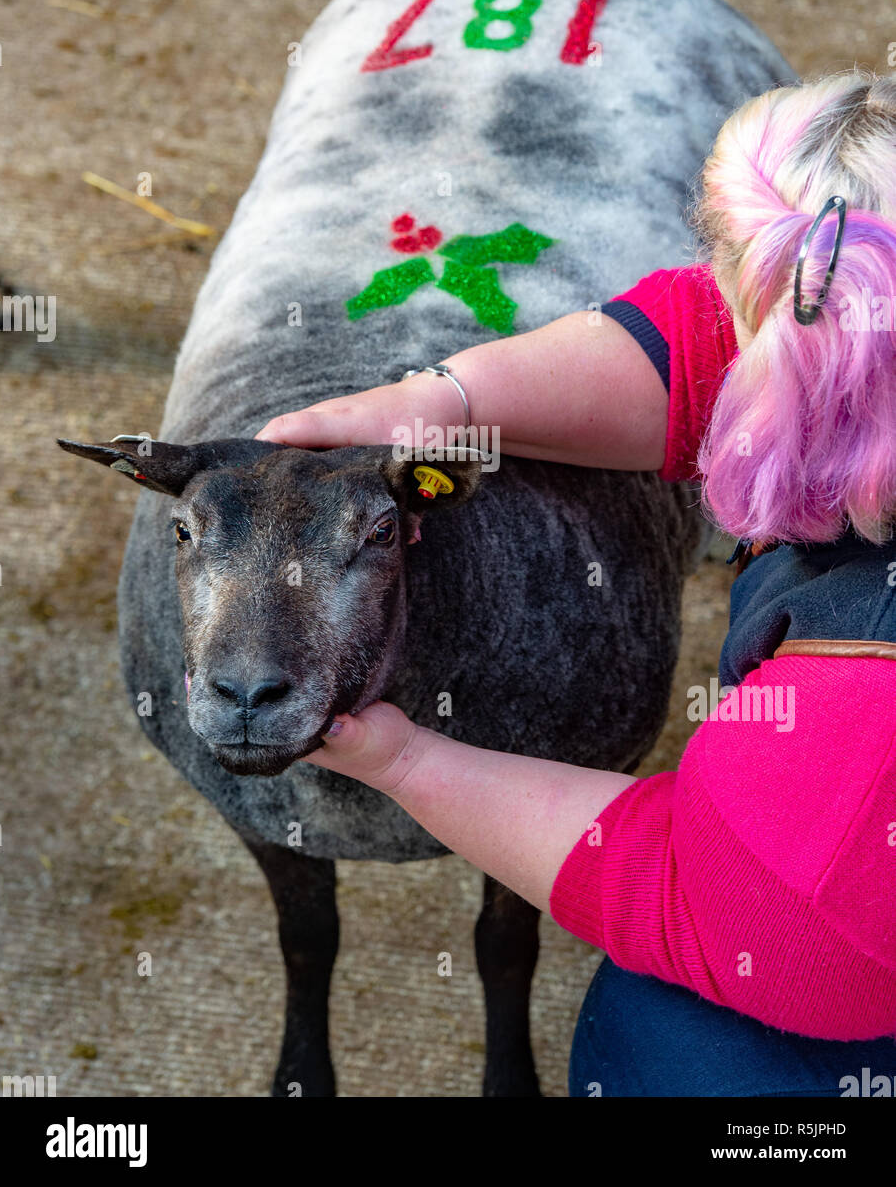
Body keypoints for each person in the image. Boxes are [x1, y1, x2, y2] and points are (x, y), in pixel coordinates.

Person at [256, 70, 896, 1096]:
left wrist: (410, 763)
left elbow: (707, 899)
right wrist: (438, 399)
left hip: (828, 922)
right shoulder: (840, 329)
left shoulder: (847, 793)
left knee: (668, 1044)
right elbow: (699, 343)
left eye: (728, 268)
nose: (710, 290)